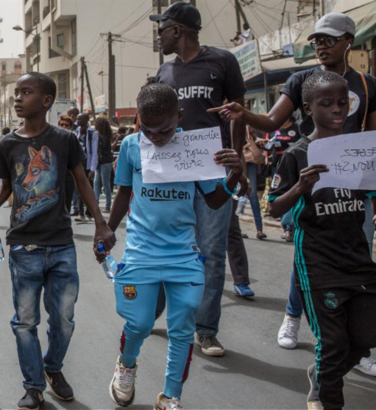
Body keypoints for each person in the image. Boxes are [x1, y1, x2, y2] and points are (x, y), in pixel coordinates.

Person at [209, 13, 376, 372]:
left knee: (359, 255)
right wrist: (244, 114)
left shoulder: (367, 83)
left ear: (349, 41)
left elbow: (372, 137)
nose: (320, 46)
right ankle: (293, 315)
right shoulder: (301, 80)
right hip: (312, 181)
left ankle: (358, 346)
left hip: (355, 186)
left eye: (329, 40)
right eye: (316, 40)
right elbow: (272, 121)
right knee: (310, 253)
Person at [107, 83, 242, 410]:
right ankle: (126, 364)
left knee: (182, 331)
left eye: (164, 129)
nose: (155, 137)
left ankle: (170, 396)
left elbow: (214, 200)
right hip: (140, 252)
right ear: (139, 121)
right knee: (139, 323)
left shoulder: (196, 148)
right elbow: (123, 192)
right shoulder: (130, 146)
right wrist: (106, 230)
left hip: (183, 256)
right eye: (148, 129)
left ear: (179, 116)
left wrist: (235, 174)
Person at [0, 72, 115, 410]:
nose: (18, 98)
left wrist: (101, 223)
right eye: (16, 92)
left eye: (25, 92)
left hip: (61, 246)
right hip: (23, 247)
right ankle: (33, 386)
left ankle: (53, 367)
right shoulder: (7, 144)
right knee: (25, 321)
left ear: (46, 101)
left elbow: (82, 181)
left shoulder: (65, 139)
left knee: (64, 319)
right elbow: (7, 186)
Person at [268, 71, 376, 410]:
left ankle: (324, 374)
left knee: (364, 338)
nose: (337, 109)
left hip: (358, 259)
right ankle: (328, 399)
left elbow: (371, 192)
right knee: (333, 343)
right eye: (327, 103)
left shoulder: (359, 150)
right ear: (308, 108)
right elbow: (274, 206)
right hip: (318, 264)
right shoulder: (297, 154)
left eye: (343, 102)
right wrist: (300, 188)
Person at [150, 1, 248, 356]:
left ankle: (205, 330)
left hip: (212, 174)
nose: (158, 36)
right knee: (168, 248)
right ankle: (153, 310)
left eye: (161, 29)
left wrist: (238, 162)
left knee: (211, 251)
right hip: (172, 178)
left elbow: (238, 113)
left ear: (177, 30)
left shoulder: (222, 61)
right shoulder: (164, 72)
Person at [74, 113, 96, 222]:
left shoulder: (93, 133)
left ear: (86, 120)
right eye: (77, 118)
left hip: (88, 164)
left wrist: (92, 169)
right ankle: (81, 213)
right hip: (79, 163)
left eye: (80, 118)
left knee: (88, 188)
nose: (77, 120)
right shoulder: (76, 131)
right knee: (79, 188)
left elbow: (94, 152)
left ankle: (89, 212)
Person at [93, 117, 115, 212]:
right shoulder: (101, 135)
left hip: (105, 162)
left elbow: (102, 148)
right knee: (96, 183)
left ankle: (107, 206)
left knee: (105, 184)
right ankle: (96, 204)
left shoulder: (105, 136)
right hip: (100, 162)